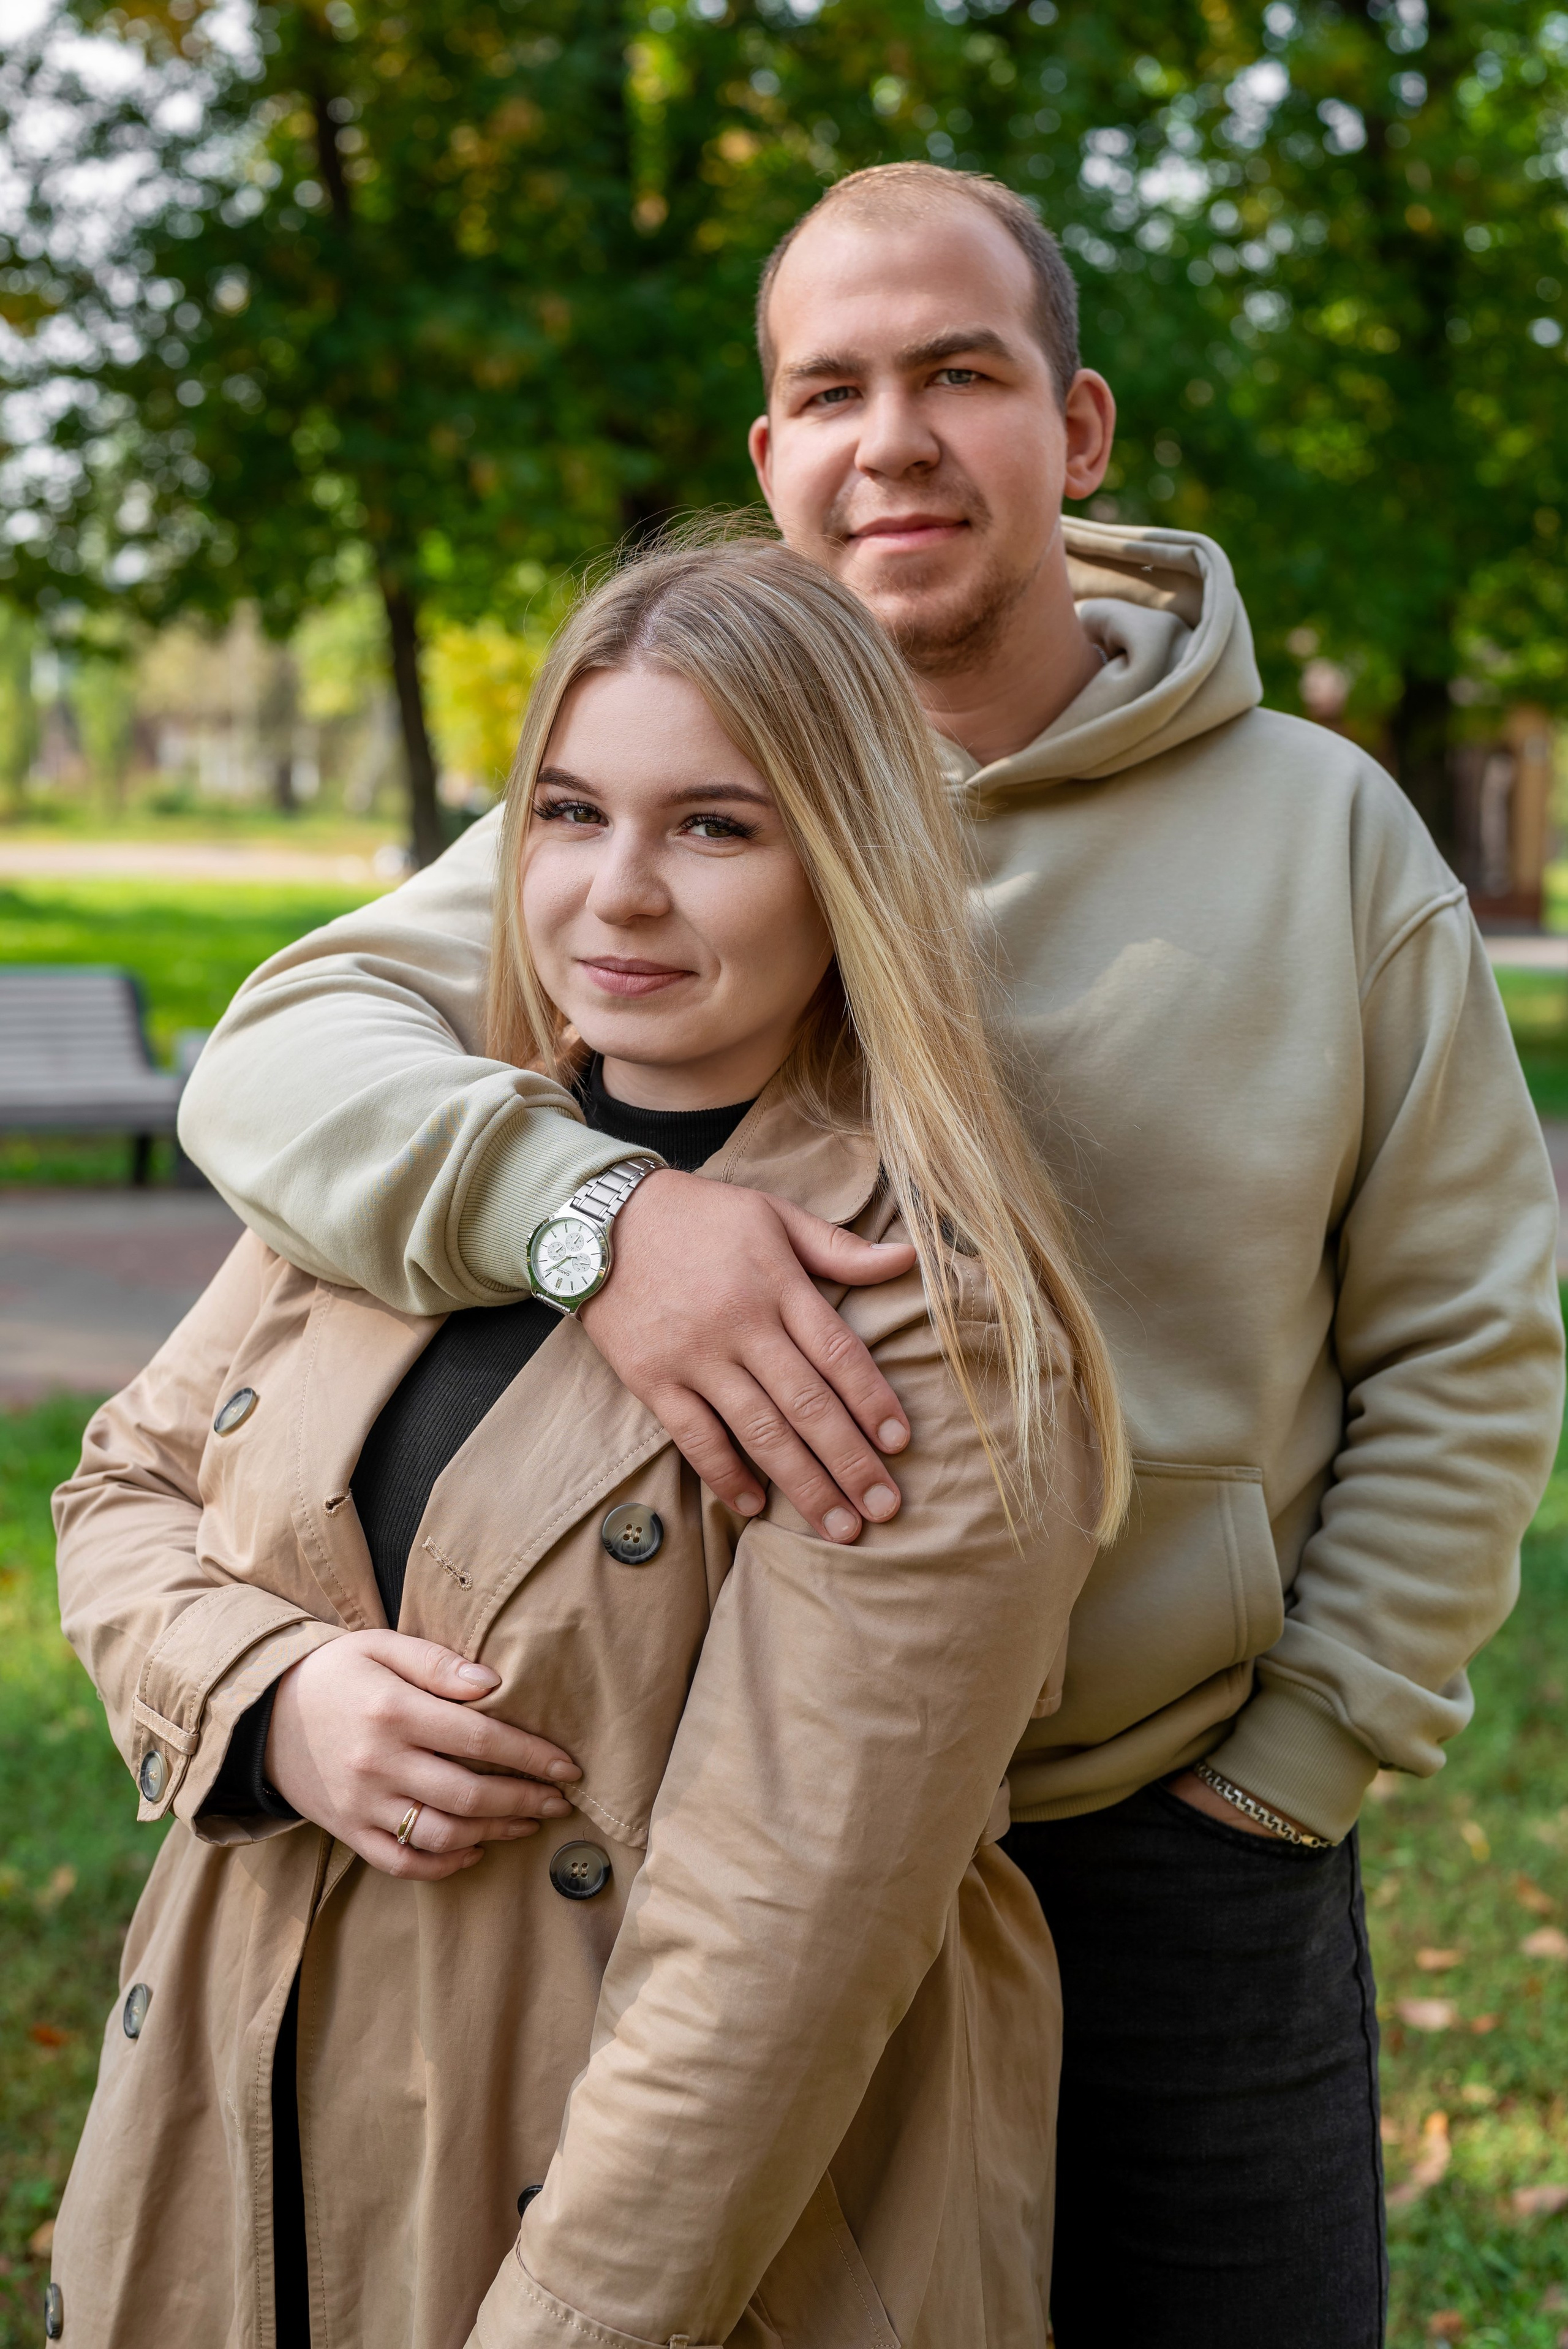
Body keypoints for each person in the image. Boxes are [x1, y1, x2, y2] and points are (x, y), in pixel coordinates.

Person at [176, 165, 1564, 2345]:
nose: (889, 438)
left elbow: (1473, 1333)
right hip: (709, 1842)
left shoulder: (1321, 833)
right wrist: (606, 1219)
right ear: (768, 455)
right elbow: (276, 1059)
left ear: (1079, 430)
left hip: (1154, 1829)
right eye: (829, 389)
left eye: (958, 375)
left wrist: (1300, 1753)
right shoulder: (689, 787)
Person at [50, 539, 1120, 2349]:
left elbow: (768, 1969)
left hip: (625, 2248)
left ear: (846, 859)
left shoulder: (924, 1319)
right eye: (567, 812)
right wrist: (269, 1697)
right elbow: (117, 1492)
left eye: (715, 826)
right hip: (228, 2171)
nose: (616, 894)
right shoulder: (415, 1171)